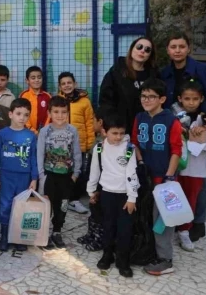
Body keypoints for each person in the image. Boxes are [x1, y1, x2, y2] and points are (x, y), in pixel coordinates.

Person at [160, 33, 206, 241]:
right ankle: (177, 220)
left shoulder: (204, 71)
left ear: (188, 48)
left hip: (201, 133)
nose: (177, 50)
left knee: (199, 178)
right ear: (168, 50)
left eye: (181, 46)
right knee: (175, 177)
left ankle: (198, 222)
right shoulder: (164, 74)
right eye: (173, 46)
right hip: (175, 136)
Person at [132, 79, 182, 276]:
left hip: (165, 179)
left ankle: (165, 259)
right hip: (145, 177)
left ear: (162, 99)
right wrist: (141, 162)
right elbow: (135, 142)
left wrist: (169, 176)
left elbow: (176, 150)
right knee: (146, 216)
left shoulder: (171, 121)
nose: (146, 100)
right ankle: (149, 251)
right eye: (143, 96)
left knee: (162, 220)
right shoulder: (139, 117)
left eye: (151, 96)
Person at [87, 113, 139, 278]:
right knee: (108, 226)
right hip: (107, 194)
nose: (118, 137)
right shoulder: (99, 148)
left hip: (124, 197)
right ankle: (107, 255)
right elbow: (94, 171)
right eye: (114, 133)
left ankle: (123, 260)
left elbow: (132, 174)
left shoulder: (129, 149)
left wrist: (132, 198)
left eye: (121, 133)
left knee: (125, 229)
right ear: (104, 132)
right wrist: (91, 191)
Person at [171, 80, 206, 252]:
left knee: (190, 201)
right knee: (173, 199)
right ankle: (172, 227)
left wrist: (202, 133)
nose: (191, 102)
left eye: (195, 99)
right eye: (187, 98)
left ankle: (184, 231)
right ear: (179, 99)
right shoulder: (172, 116)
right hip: (176, 166)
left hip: (196, 170)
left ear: (201, 99)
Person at [37, 96, 82, 249]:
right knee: (47, 205)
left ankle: (57, 231)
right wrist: (41, 176)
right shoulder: (45, 131)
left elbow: (76, 153)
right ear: (49, 112)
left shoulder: (72, 131)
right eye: (56, 112)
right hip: (49, 175)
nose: (60, 115)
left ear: (68, 113)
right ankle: (44, 233)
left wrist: (75, 174)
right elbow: (40, 154)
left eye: (64, 112)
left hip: (67, 176)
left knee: (62, 205)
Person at [0, 98, 39, 252]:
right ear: (11, 114)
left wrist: (34, 178)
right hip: (6, 175)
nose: (22, 118)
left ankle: (19, 237)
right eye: (19, 114)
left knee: (21, 207)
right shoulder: (2, 134)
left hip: (24, 177)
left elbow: (33, 157)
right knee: (5, 205)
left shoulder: (31, 136)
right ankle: (4, 236)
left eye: (26, 115)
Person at [99, 36, 157, 134]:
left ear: (150, 55)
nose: (142, 51)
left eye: (147, 50)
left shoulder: (153, 75)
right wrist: (112, 123)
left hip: (146, 129)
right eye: (139, 47)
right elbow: (105, 101)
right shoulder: (116, 72)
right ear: (131, 49)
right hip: (121, 129)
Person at [57, 71, 94, 215]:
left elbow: (89, 122)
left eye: (69, 83)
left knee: (78, 172)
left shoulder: (85, 101)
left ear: (75, 84)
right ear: (60, 86)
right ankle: (64, 198)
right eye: (63, 83)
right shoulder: (57, 100)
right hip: (62, 144)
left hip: (80, 143)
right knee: (63, 171)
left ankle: (75, 200)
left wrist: (90, 141)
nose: (67, 86)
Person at [77, 107, 107, 252]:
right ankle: (91, 234)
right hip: (94, 182)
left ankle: (98, 238)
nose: (91, 123)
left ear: (100, 122)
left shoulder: (105, 144)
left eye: (93, 120)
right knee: (93, 210)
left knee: (99, 211)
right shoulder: (98, 141)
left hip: (102, 185)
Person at [19, 66, 51, 134]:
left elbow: (49, 115)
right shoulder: (23, 95)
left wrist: (44, 130)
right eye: (33, 78)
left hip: (44, 133)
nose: (36, 80)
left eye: (39, 77)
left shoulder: (47, 96)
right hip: (27, 132)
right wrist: (32, 130)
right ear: (27, 80)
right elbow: (21, 114)